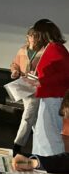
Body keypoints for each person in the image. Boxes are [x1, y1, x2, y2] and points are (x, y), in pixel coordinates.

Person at [29, 20, 69, 156]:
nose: (34, 37)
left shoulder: (55, 48)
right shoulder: (53, 47)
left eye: (35, 34)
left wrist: (41, 81)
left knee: (49, 136)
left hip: (54, 98)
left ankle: (53, 163)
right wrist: (37, 79)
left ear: (41, 34)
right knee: (42, 135)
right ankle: (40, 162)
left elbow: (66, 74)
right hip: (50, 97)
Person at [10, 28, 42, 155]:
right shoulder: (22, 50)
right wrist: (15, 71)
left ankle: (17, 145)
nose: (33, 39)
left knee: (28, 116)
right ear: (27, 37)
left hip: (36, 87)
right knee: (33, 119)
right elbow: (14, 64)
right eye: (31, 36)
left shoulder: (43, 51)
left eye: (36, 36)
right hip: (24, 86)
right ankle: (41, 145)